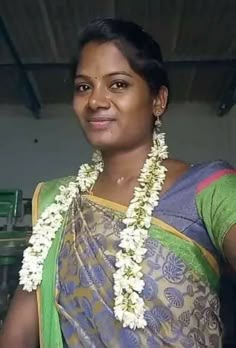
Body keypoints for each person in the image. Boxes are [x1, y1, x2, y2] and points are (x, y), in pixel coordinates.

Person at [0, 18, 236, 348]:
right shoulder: (59, 203)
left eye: (118, 84)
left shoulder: (210, 188)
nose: (96, 101)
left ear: (158, 100)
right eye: (84, 86)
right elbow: (18, 335)